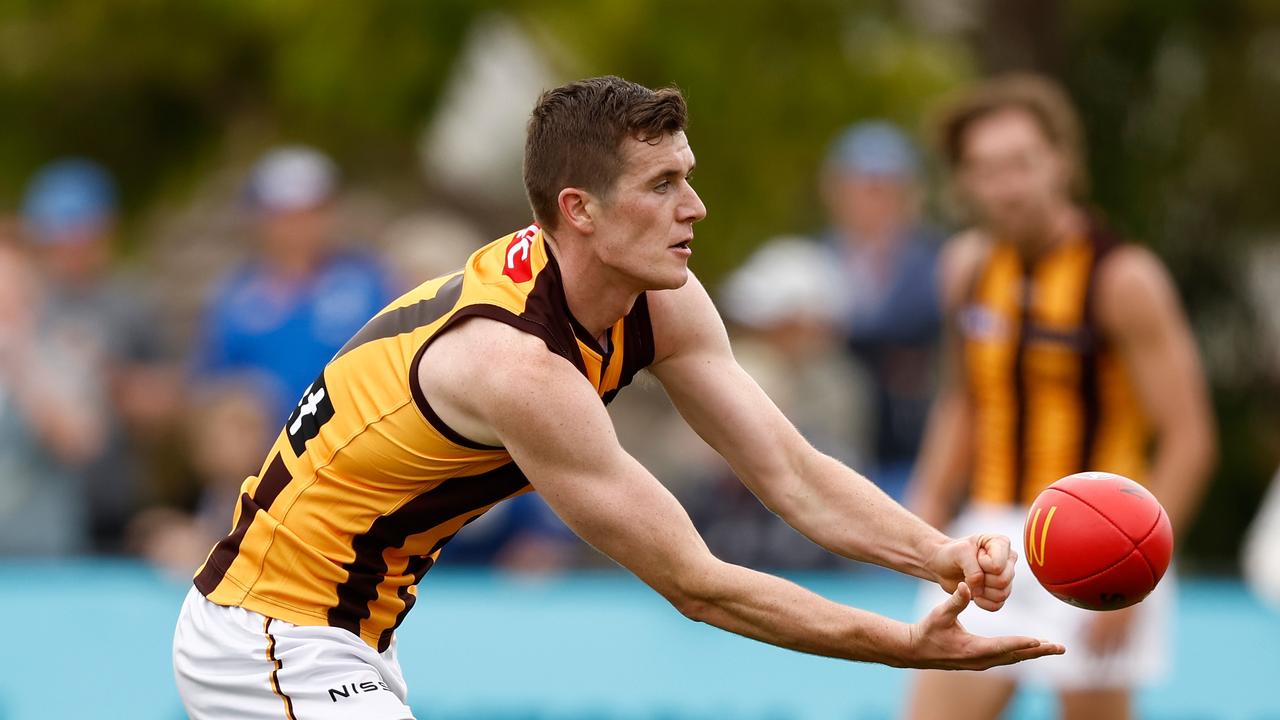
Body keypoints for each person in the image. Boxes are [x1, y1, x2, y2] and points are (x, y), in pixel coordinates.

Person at [173, 76, 1064, 720]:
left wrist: (937, 555)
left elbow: (791, 473)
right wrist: (903, 645)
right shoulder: (515, 367)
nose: (698, 207)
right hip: (267, 636)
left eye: (688, 175)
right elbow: (699, 586)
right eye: (664, 185)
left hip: (353, 636)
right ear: (580, 210)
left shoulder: (658, 297)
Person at [904, 74, 1216, 720]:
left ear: (1062, 163)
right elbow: (963, 398)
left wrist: (1140, 577)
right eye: (985, 169)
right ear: (963, 181)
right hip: (990, 531)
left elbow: (1189, 438)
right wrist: (927, 503)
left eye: (1021, 163)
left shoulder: (1122, 278)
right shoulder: (965, 268)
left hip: (1102, 535)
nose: (1006, 185)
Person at [21, 157, 178, 552]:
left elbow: (169, 401)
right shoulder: (24, 300)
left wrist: (111, 381)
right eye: (58, 236)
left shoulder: (131, 303)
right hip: (35, 504)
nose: (70, 248)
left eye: (80, 234)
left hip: (119, 502)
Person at [191, 145, 396, 426]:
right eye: (284, 215)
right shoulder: (235, 299)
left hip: (356, 440)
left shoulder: (369, 281)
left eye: (311, 213)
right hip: (267, 457)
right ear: (260, 219)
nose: (298, 227)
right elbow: (211, 382)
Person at [821, 121, 944, 501]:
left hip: (917, 444)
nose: (874, 201)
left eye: (886, 188)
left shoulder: (945, 263)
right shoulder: (810, 264)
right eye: (863, 187)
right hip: (833, 448)